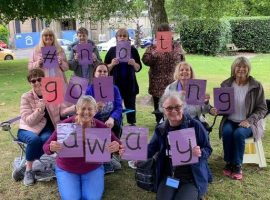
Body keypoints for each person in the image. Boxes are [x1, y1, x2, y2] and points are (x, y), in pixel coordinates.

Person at [43, 95, 122, 200]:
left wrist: (117, 148)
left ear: (95, 111)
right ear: (77, 109)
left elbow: (121, 147)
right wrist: (51, 148)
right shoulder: (65, 125)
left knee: (92, 198)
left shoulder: (101, 126)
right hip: (67, 168)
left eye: (90, 109)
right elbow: (45, 147)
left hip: (92, 168)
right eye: (83, 108)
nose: (86, 112)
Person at [13, 68, 75, 186]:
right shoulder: (26, 97)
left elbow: (62, 112)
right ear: (30, 83)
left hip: (46, 129)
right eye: (33, 81)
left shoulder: (52, 93)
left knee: (47, 139)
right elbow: (29, 121)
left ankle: (26, 166)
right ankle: (28, 171)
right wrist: (39, 110)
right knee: (35, 140)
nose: (37, 83)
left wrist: (73, 108)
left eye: (39, 79)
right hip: (27, 129)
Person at [148, 91, 212, 200]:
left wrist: (200, 152)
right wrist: (131, 153)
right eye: (169, 108)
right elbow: (151, 149)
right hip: (171, 178)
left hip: (191, 178)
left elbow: (208, 148)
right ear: (163, 110)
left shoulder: (195, 125)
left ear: (183, 107)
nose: (173, 111)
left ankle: (194, 193)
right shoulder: (161, 129)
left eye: (177, 107)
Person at [219, 56, 267, 180]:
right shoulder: (226, 84)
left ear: (248, 69)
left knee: (239, 134)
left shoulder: (256, 86)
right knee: (227, 131)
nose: (241, 69)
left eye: (244, 67)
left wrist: (249, 120)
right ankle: (229, 162)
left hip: (250, 122)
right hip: (230, 120)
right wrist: (215, 109)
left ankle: (237, 165)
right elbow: (222, 107)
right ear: (234, 68)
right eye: (238, 66)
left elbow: (262, 108)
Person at [142, 23, 185, 124]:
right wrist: (156, 51)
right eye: (161, 33)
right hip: (157, 84)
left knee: (174, 105)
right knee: (160, 109)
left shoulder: (177, 46)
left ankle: (174, 124)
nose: (164, 35)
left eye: (167, 32)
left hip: (173, 83)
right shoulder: (152, 47)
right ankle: (160, 124)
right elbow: (145, 61)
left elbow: (182, 61)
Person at [105, 28, 142, 126]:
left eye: (124, 36)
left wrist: (134, 64)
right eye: (120, 36)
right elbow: (105, 69)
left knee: (131, 106)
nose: (122, 38)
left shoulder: (133, 50)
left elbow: (139, 68)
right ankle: (117, 124)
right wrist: (112, 64)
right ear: (116, 38)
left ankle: (131, 124)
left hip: (130, 84)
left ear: (128, 38)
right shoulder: (112, 50)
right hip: (115, 84)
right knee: (116, 106)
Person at [165, 62, 217, 131]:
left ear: (191, 73)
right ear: (178, 73)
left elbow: (204, 111)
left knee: (201, 134)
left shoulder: (198, 87)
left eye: (187, 70)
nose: (184, 72)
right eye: (181, 70)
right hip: (176, 120)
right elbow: (164, 107)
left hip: (195, 119)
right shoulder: (170, 88)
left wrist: (206, 102)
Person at [85, 63, 123, 138]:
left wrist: (112, 118)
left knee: (115, 128)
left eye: (105, 71)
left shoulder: (114, 89)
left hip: (111, 119)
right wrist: (95, 108)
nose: (102, 73)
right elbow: (86, 111)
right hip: (95, 120)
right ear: (94, 74)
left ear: (108, 74)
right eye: (99, 71)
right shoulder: (88, 90)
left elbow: (119, 107)